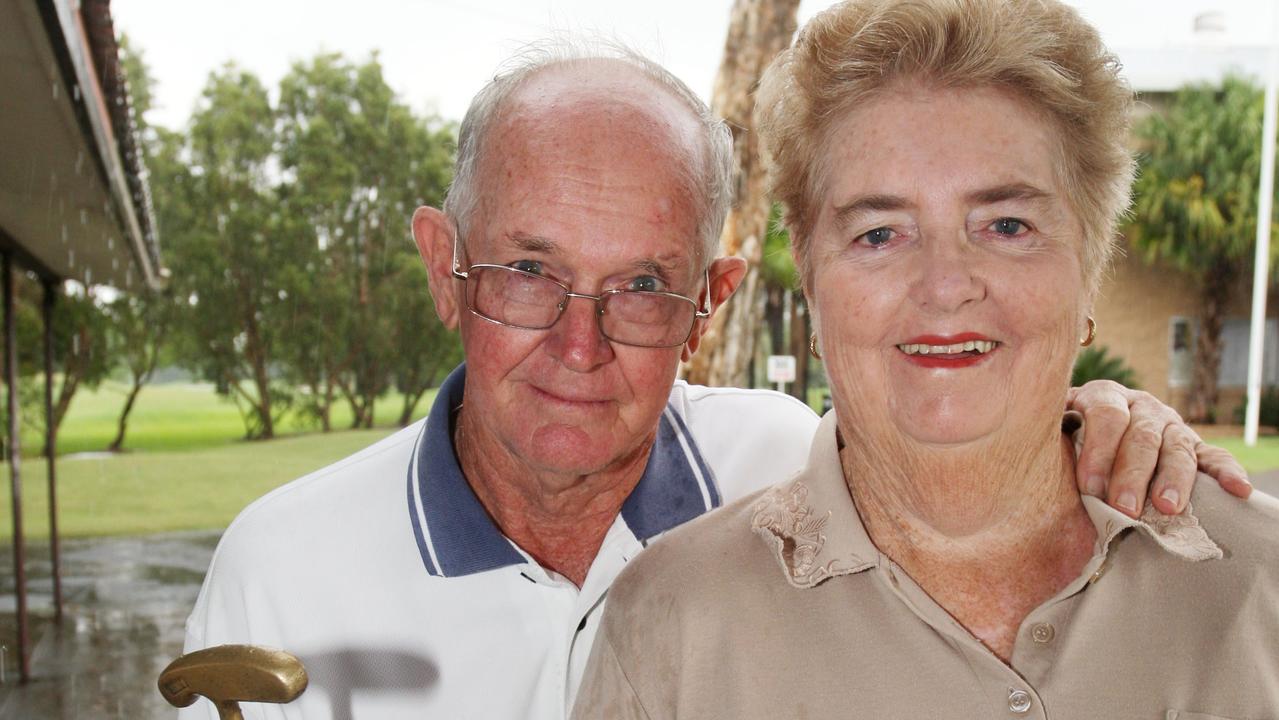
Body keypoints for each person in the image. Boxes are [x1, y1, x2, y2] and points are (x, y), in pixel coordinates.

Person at [182, 38, 1251, 720]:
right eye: (527, 273)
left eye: (642, 285)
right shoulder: (281, 566)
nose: (579, 343)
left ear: (715, 299)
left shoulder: (784, 466)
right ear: (441, 269)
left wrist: (1091, 417)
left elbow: (951, 417)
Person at [571, 2, 1279, 718]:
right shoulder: (674, 625)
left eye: (1006, 225)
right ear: (814, 283)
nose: (944, 286)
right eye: (880, 234)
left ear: (1088, 268)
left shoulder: (1258, 586)